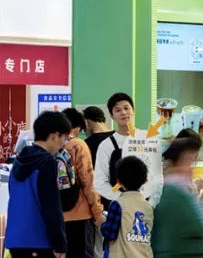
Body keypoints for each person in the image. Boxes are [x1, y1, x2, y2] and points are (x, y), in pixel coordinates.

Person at [6, 111, 71, 258]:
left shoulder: (19, 159)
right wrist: (59, 243)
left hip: (15, 238)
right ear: (55, 135)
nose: (64, 143)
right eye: (64, 137)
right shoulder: (46, 161)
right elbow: (51, 205)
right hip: (39, 239)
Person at [152, 137, 203, 258]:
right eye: (188, 161)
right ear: (172, 164)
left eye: (194, 161)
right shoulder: (171, 193)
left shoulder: (183, 191)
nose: (192, 167)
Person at [94, 93, 163, 206]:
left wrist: (151, 204)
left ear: (133, 110)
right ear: (112, 116)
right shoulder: (106, 145)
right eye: (118, 110)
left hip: (147, 205)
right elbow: (100, 182)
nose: (123, 112)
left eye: (126, 108)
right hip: (120, 206)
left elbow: (157, 177)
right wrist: (123, 199)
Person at [62, 108, 105, 258]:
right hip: (79, 215)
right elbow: (88, 181)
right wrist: (98, 212)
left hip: (57, 216)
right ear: (78, 127)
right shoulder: (78, 145)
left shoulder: (52, 146)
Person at [101, 156, 154, 258]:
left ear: (119, 181)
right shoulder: (149, 207)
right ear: (145, 180)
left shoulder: (117, 204)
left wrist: (102, 223)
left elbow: (110, 233)